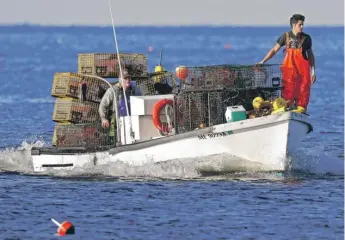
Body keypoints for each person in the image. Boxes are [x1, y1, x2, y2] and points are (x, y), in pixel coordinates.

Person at [257, 14, 316, 113]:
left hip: (303, 76)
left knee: (303, 97)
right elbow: (274, 50)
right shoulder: (285, 36)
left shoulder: (307, 38)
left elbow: (311, 55)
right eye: (300, 25)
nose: (302, 27)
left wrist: (313, 72)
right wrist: (263, 61)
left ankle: (301, 115)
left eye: (302, 25)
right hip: (289, 74)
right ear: (293, 25)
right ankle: (288, 116)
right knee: (288, 97)